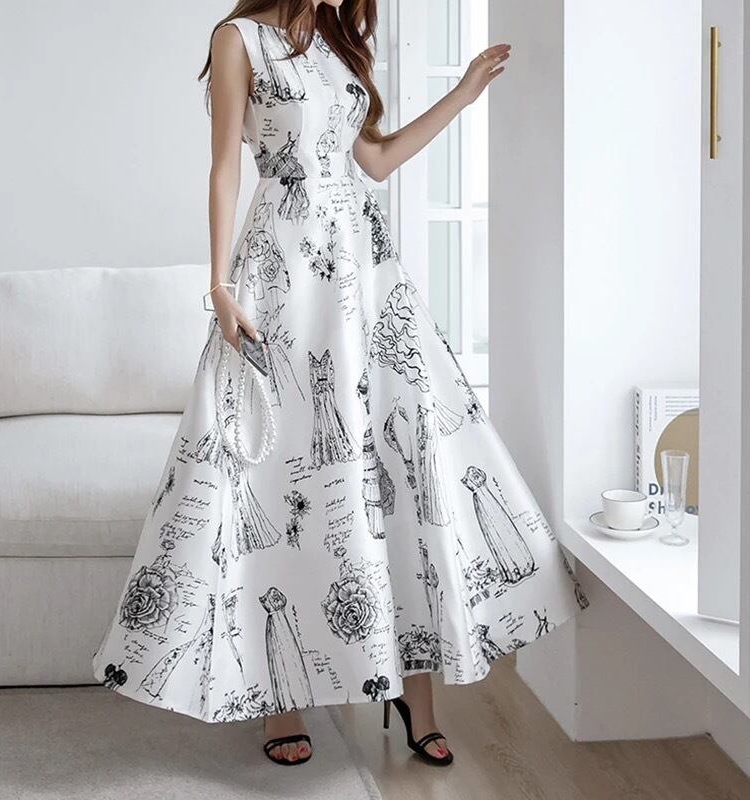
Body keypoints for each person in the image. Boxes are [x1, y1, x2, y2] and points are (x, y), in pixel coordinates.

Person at [92, 0, 589, 769]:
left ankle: (415, 693)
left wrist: (462, 95)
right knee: (281, 468)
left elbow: (376, 161)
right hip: (283, 271)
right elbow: (225, 168)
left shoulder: (335, 44)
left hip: (365, 267)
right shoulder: (238, 40)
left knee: (408, 465)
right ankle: (279, 696)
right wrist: (220, 287)